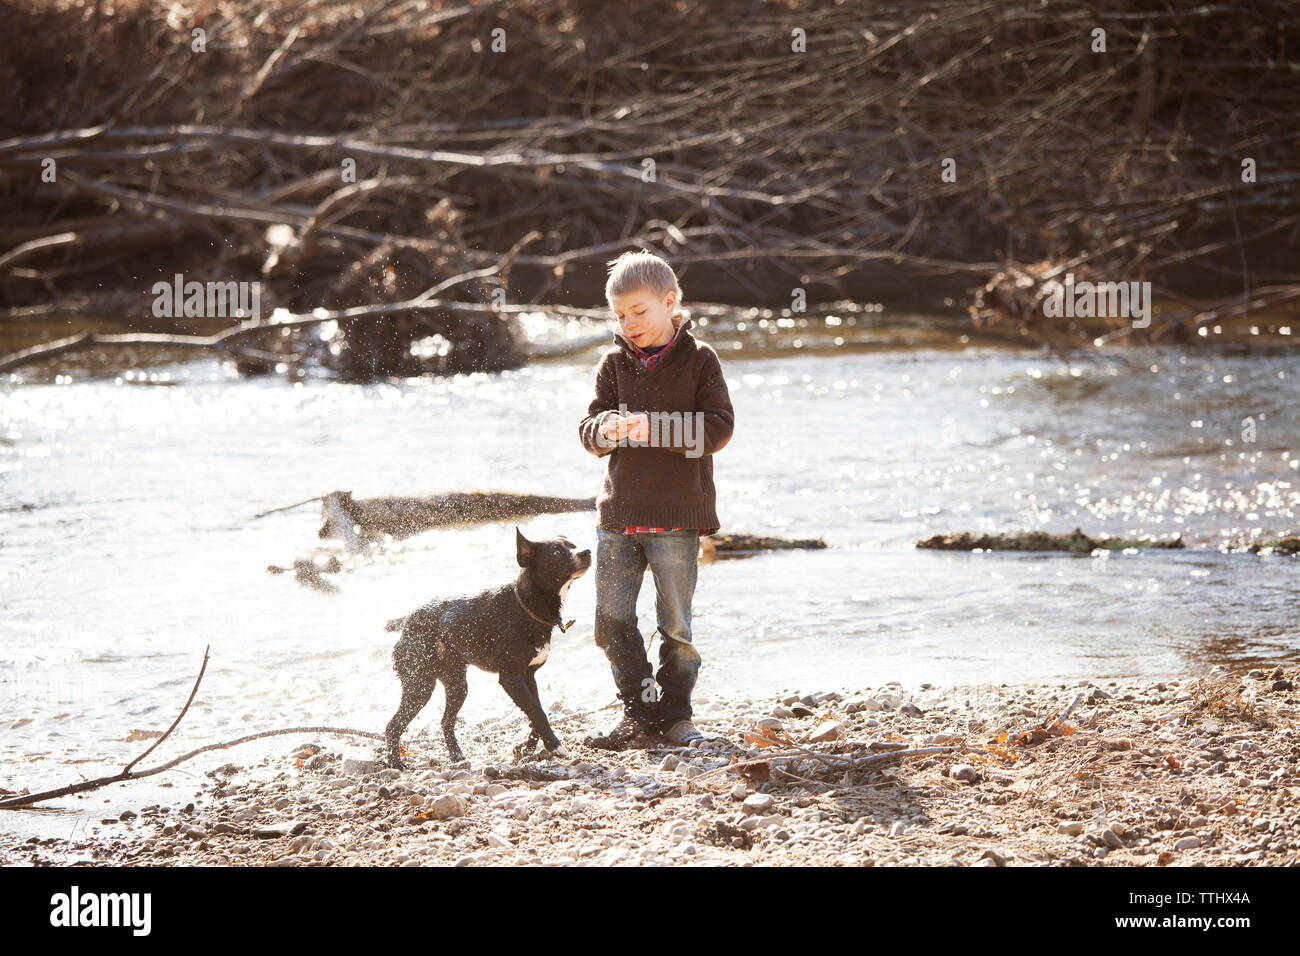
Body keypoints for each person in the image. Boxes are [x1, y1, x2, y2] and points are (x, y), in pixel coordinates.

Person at [576, 250, 735, 748]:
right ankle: (640, 712)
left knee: (676, 628)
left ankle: (677, 716)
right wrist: (605, 429)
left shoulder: (700, 360)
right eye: (620, 315)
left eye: (639, 312)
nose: (629, 323)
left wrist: (657, 428)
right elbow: (587, 430)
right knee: (611, 623)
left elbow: (719, 429)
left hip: (676, 518)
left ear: (670, 302)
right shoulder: (612, 363)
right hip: (618, 516)